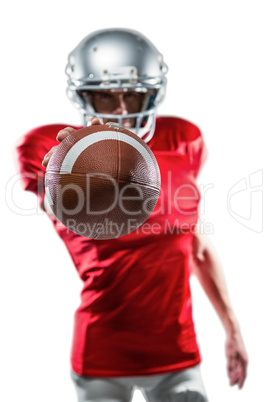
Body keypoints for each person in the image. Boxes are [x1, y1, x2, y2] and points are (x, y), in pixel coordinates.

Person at [16, 28, 248, 401]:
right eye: (107, 95)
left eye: (133, 93)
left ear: (153, 92)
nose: (122, 109)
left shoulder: (183, 139)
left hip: (177, 351)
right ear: (84, 96)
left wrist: (232, 326)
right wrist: (73, 168)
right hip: (101, 352)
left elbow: (197, 247)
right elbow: (66, 208)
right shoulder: (56, 149)